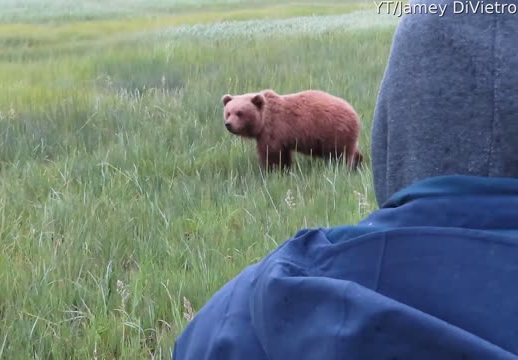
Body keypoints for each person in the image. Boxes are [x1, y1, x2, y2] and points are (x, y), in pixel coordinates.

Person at [173, 3, 518, 359]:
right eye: (227, 115)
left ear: (390, 133)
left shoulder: (234, 318)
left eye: (237, 115)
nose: (229, 122)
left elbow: (275, 158)